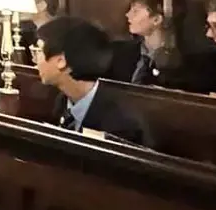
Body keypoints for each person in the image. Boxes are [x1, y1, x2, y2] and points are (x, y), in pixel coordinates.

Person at [37, 16, 148, 147]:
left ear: (61, 61)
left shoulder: (120, 122)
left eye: (39, 50)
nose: (35, 58)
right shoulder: (61, 100)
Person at [113, 0, 216, 93]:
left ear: (157, 19)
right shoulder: (123, 53)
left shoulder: (195, 61)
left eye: (135, 11)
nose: (128, 15)